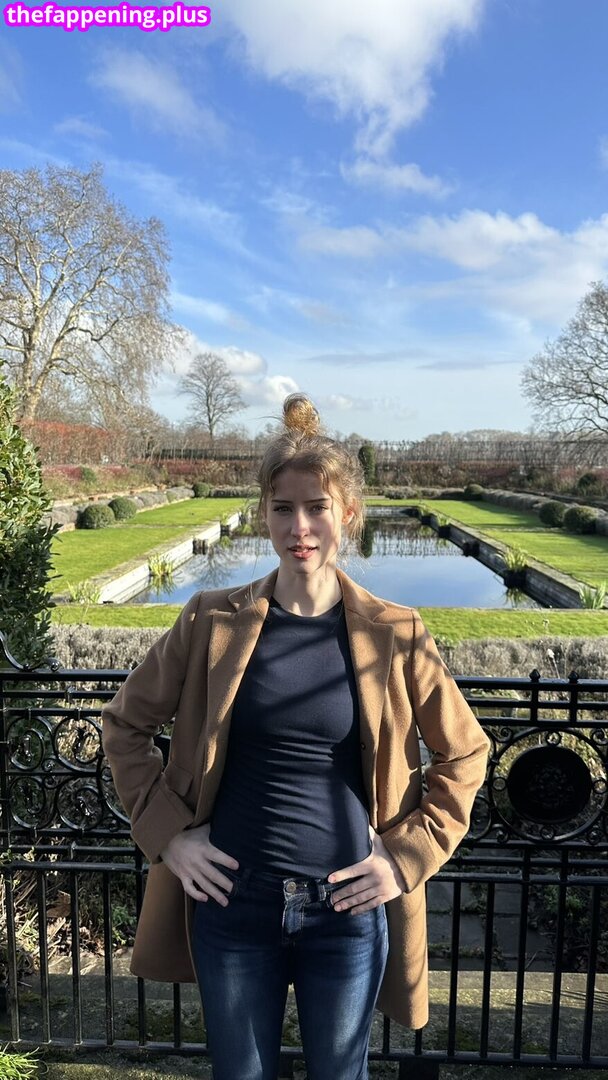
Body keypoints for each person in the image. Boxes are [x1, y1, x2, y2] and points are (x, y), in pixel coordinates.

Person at [102, 393, 490, 1080]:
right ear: (264, 514)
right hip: (232, 903)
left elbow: (466, 752)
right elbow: (125, 724)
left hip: (347, 910)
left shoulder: (395, 632)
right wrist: (169, 836)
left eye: (318, 507)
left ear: (349, 514)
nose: (300, 527)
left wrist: (405, 858)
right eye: (283, 508)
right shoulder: (210, 620)